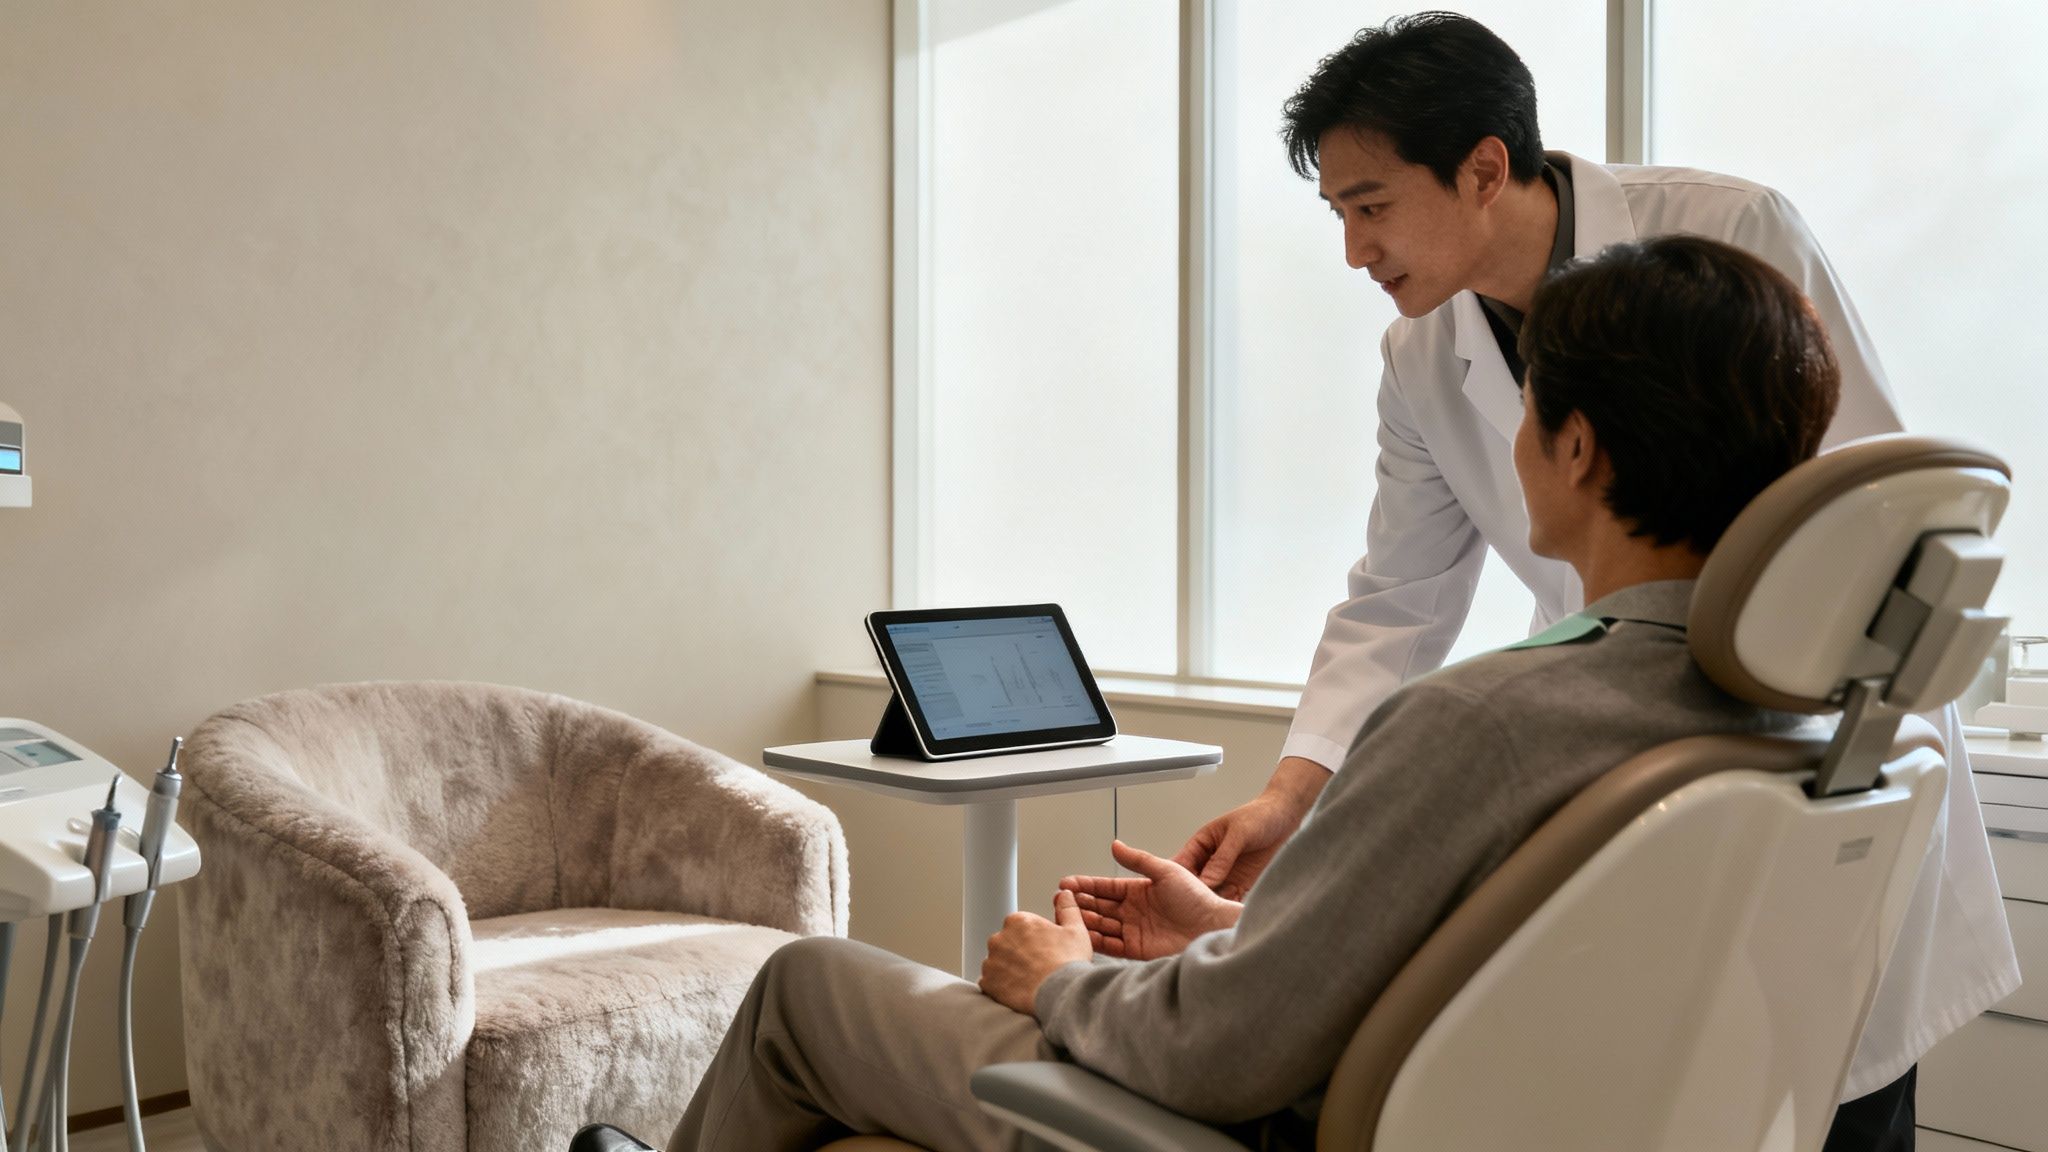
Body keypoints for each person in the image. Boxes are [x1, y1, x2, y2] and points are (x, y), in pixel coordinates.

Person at [573, 234, 1852, 1152]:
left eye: (1528, 411)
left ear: (1572, 445)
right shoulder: (1789, 720)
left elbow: (1215, 1056)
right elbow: (1487, 979)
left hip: (1237, 1116)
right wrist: (1231, 939)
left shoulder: (1491, 720)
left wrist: (1057, 979)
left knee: (810, 986)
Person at [1168, 15, 2015, 1148]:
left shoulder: (1722, 234)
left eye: (1369, 206)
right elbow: (1398, 593)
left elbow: (1862, 516)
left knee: (1830, 1085)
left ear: (1480, 168)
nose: (1352, 251)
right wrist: (1290, 794)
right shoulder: (1419, 354)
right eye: (1336, 215)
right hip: (1633, 752)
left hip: (1790, 738)